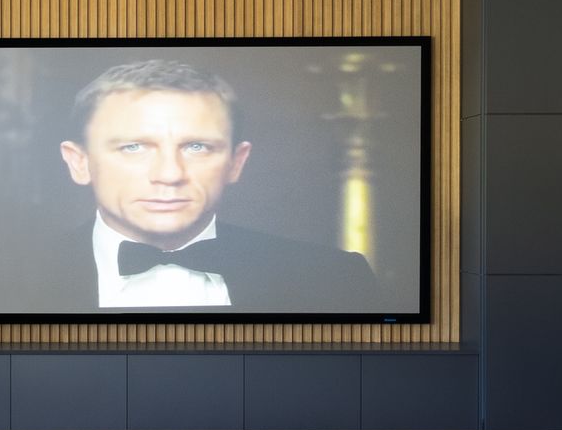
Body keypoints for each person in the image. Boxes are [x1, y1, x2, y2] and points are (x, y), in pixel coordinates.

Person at [35, 59, 376, 312]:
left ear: (235, 163)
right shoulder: (8, 283)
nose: (169, 174)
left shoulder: (335, 280)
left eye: (196, 147)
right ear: (79, 162)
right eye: (133, 147)